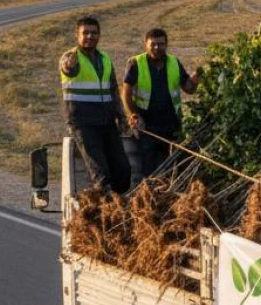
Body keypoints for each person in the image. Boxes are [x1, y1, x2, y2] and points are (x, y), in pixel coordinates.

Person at [59, 16, 131, 193]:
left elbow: (113, 90)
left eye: (94, 33)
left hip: (107, 122)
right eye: (86, 33)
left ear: (99, 35)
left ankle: (117, 203)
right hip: (84, 124)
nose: (90, 37)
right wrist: (70, 65)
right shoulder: (70, 57)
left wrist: (122, 118)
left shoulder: (105, 59)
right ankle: (102, 211)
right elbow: (68, 68)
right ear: (77, 35)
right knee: (101, 174)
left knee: (123, 171)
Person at [120, 27, 201, 177]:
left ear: (166, 44)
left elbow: (188, 89)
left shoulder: (174, 62)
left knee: (174, 167)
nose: (157, 48)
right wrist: (133, 115)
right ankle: (149, 193)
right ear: (146, 44)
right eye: (154, 44)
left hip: (172, 124)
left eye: (161, 44)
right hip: (147, 126)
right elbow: (125, 92)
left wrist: (195, 80)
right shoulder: (136, 63)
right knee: (149, 169)